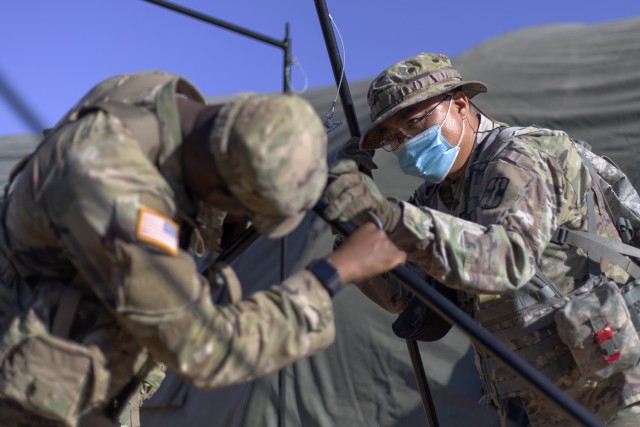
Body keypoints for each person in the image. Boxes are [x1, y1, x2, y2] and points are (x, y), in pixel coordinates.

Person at [0, 71, 407, 427]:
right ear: (217, 188)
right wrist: (335, 273)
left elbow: (186, 184)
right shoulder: (113, 188)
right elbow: (204, 350)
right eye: (244, 211)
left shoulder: (159, 103)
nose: (242, 223)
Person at [321, 52, 640, 426]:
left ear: (459, 104)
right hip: (530, 398)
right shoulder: (438, 197)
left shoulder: (519, 157)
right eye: (393, 138)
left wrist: (391, 216)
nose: (405, 143)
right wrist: (352, 224)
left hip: (609, 390)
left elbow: (506, 260)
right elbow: (402, 293)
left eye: (413, 123)